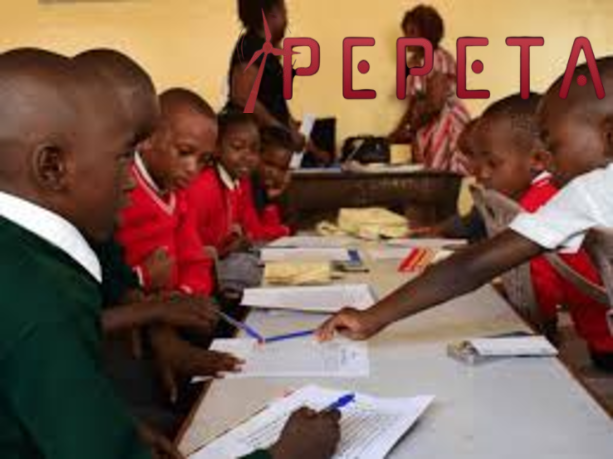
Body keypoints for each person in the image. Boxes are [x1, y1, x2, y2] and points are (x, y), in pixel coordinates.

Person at [317, 57, 613, 376]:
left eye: (554, 147)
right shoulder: (585, 193)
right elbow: (472, 266)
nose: (547, 162)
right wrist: (371, 317)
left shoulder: (589, 191)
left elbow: (472, 268)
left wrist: (371, 317)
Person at [0, 47, 154, 459]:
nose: (132, 180)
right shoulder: (43, 290)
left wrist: (111, 425)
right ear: (52, 168)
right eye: (123, 157)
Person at [470, 92, 613, 362]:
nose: (481, 173)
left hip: (603, 347)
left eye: (492, 163)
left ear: (538, 158)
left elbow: (539, 296)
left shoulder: (540, 206)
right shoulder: (570, 192)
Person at [389, 4, 471, 174]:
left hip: (446, 127)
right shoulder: (415, 62)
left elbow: (435, 104)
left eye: (412, 32)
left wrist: (410, 129)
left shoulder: (438, 58)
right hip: (427, 127)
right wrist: (397, 131)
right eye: (405, 33)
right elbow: (414, 102)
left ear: (427, 34)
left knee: (441, 179)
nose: (406, 38)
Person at [227, 0, 305, 151]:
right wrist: (280, 130)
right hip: (257, 146)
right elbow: (242, 97)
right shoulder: (251, 45)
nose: (286, 21)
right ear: (273, 13)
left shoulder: (265, 50)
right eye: (284, 13)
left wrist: (291, 130)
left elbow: (275, 101)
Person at [186, 111, 260, 257]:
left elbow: (245, 231)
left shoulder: (236, 183)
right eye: (237, 147)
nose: (248, 156)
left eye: (254, 149)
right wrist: (224, 250)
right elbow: (191, 247)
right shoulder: (204, 188)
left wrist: (235, 240)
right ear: (216, 148)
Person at [410, 118, 487, 242]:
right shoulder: (486, 189)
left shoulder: (516, 199)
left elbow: (509, 241)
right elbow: (473, 220)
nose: (462, 160)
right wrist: (438, 229)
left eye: (470, 154)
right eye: (464, 154)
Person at [242, 125, 293, 242]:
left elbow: (288, 223)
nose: (274, 173)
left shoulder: (262, 189)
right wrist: (284, 230)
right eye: (269, 164)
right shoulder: (243, 185)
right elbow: (256, 235)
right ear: (254, 154)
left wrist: (276, 197)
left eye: (282, 168)